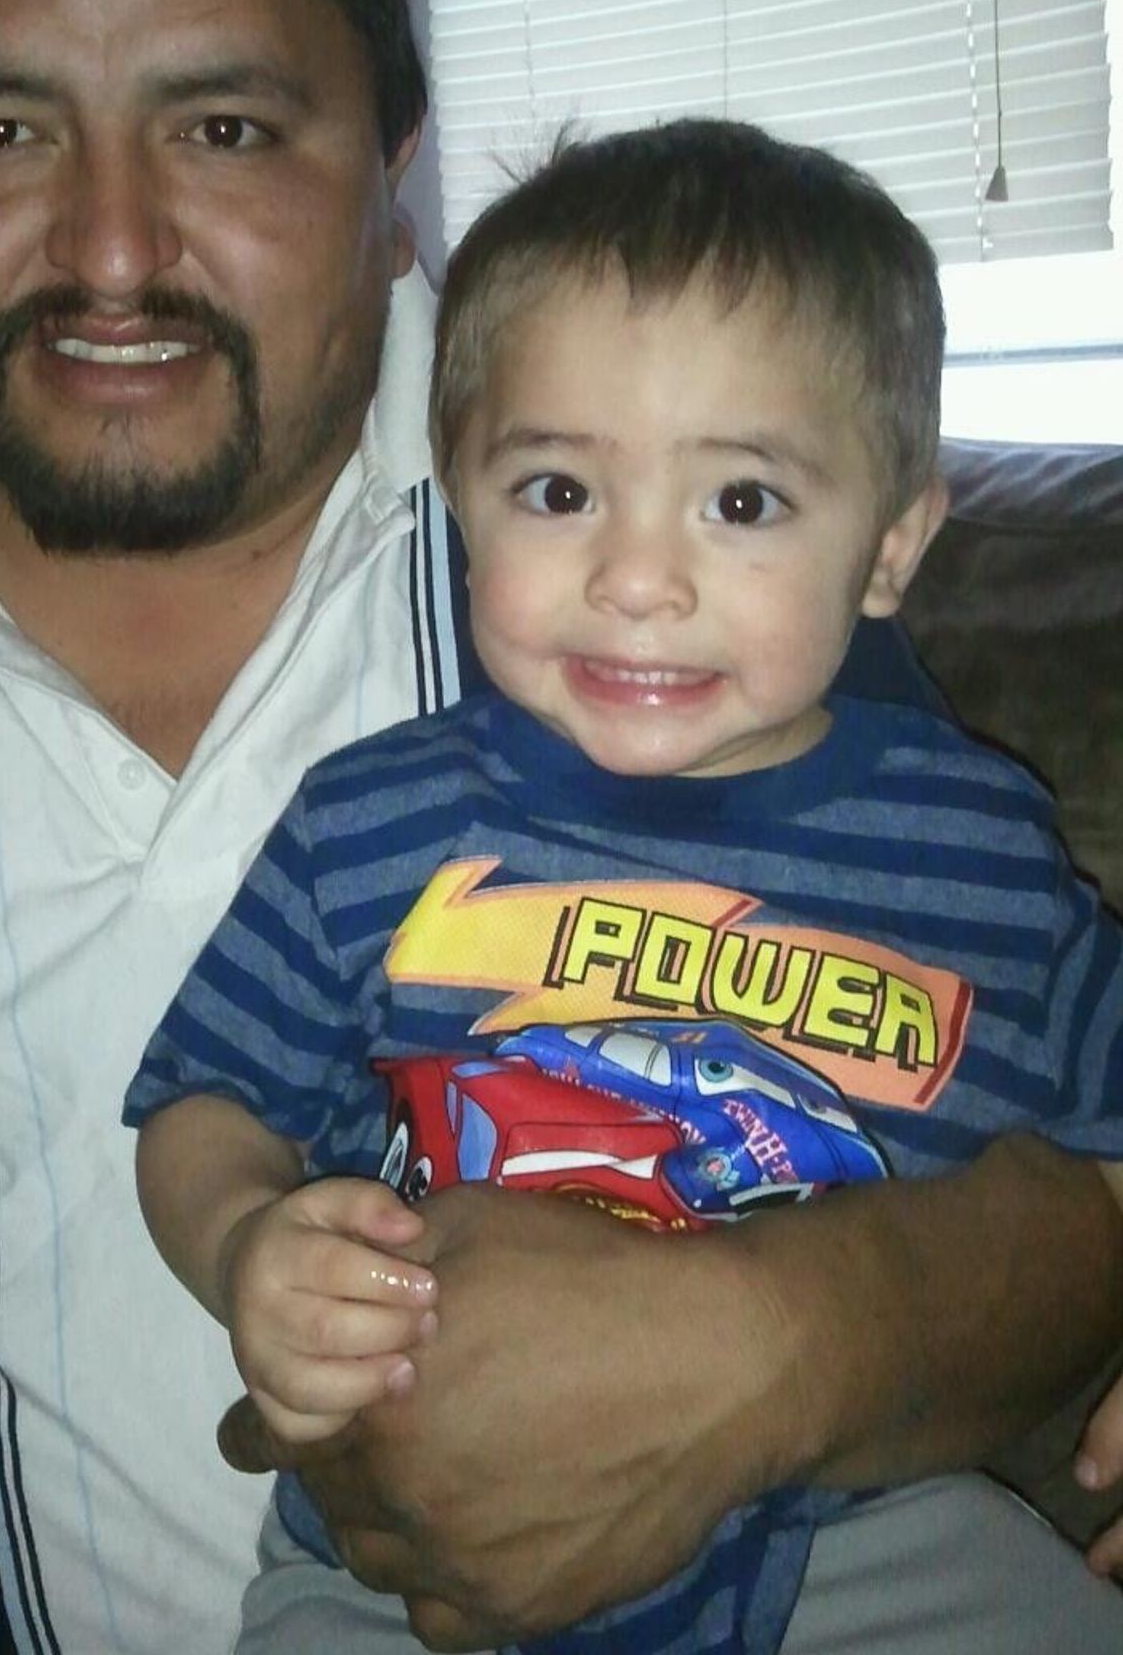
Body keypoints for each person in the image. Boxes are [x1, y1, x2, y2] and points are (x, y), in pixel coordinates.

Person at [0, 0, 1120, 1655]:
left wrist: (774, 1343)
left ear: (392, 158)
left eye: (226, 128)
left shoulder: (678, 594)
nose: (113, 249)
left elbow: (1019, 1101)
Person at [124, 118, 1123, 1653]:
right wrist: (251, 1244)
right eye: (556, 492)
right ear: (459, 495)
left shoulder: (982, 844)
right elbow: (201, 1106)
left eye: (743, 504)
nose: (638, 579)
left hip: (863, 1535)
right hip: (409, 1552)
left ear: (890, 545)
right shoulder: (369, 825)